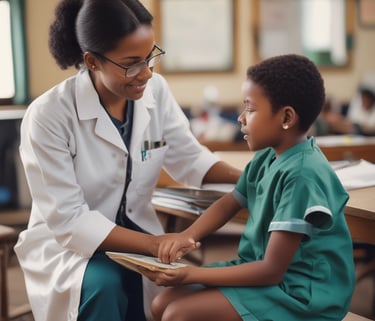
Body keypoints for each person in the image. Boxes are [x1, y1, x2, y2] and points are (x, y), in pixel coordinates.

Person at [13, 1, 241, 321]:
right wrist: (153, 243)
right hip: (73, 248)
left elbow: (190, 158)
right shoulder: (49, 115)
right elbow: (70, 221)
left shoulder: (155, 91)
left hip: (138, 234)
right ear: (92, 61)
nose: (145, 73)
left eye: (150, 57)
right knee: (104, 286)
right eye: (131, 63)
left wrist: (248, 177)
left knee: (172, 292)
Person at [142, 54, 356, 321]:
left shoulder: (303, 174)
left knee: (178, 314)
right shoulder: (268, 156)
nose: (241, 118)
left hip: (302, 294)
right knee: (162, 303)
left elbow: (271, 270)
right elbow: (229, 202)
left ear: (286, 117)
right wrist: (187, 236)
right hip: (269, 277)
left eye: (250, 109)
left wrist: (190, 273)